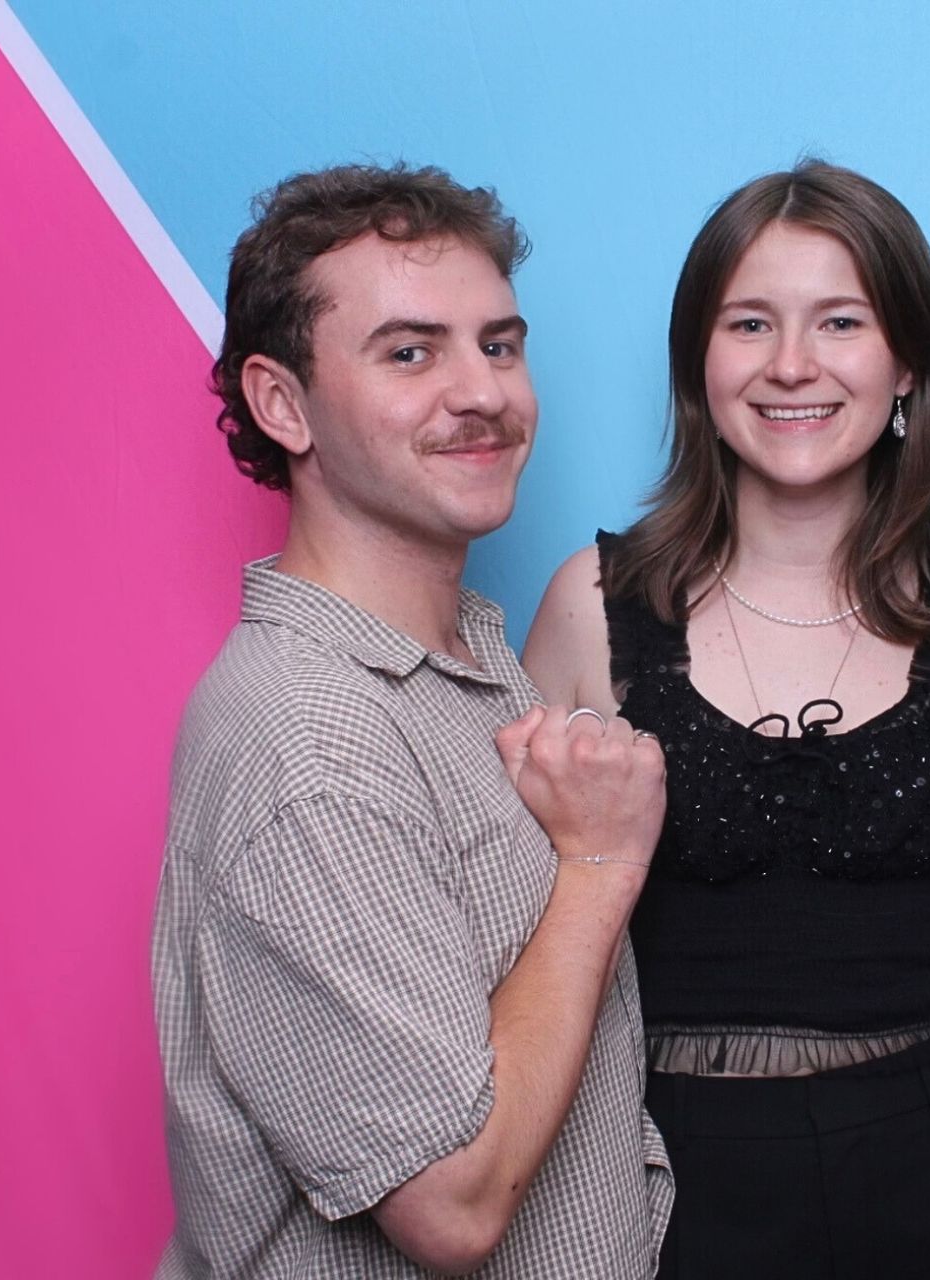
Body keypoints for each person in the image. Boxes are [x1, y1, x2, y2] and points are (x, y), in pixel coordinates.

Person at [153, 162, 672, 1279]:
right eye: (409, 351)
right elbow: (453, 1200)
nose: (481, 390)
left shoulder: (470, 651)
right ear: (282, 402)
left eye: (499, 343)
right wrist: (594, 864)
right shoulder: (310, 739)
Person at [524, 159, 930, 1278]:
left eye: (840, 321)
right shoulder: (590, 604)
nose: (792, 364)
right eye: (749, 322)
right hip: (672, 1182)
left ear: (907, 362)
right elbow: (511, 929)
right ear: (699, 364)